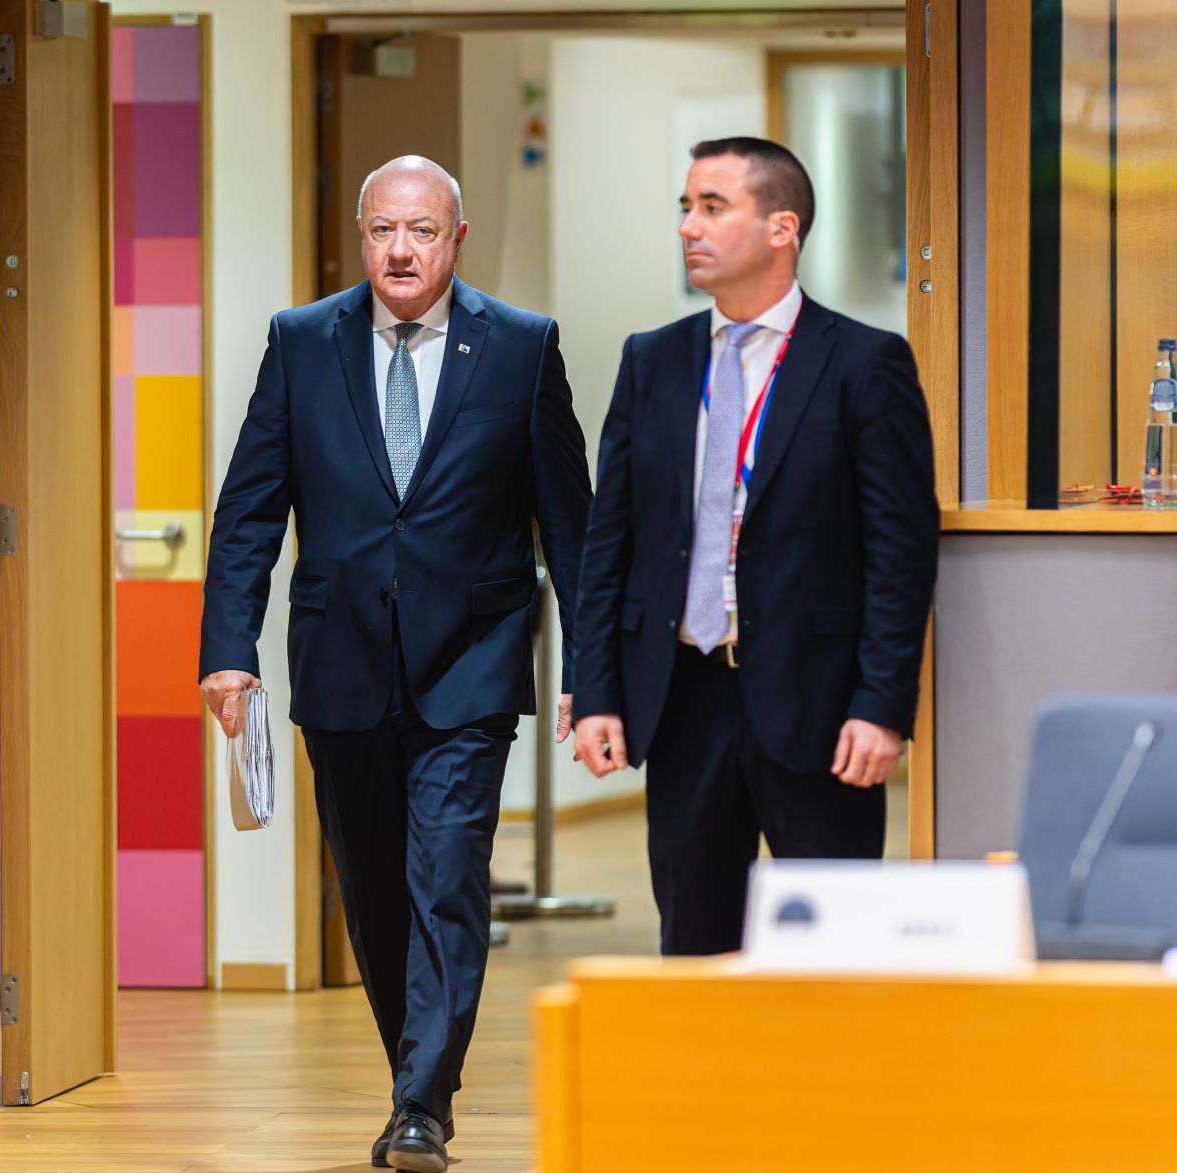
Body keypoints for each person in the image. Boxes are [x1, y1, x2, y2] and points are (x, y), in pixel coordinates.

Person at [198, 156, 590, 1171]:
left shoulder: (520, 346)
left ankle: (420, 1100)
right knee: (371, 889)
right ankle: (413, 1074)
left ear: (454, 238)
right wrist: (228, 651)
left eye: (421, 229)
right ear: (360, 239)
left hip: (471, 659)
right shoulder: (299, 343)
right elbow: (248, 511)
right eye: (382, 230)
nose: (400, 249)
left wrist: (590, 669)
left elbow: (569, 526)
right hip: (338, 662)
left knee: (446, 873)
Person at [571, 137, 939, 956]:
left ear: (782, 227)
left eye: (712, 207)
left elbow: (900, 552)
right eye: (684, 207)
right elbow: (612, 544)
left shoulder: (863, 363)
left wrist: (882, 705)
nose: (688, 227)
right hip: (682, 697)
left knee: (832, 948)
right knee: (694, 942)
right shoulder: (653, 360)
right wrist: (595, 690)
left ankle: (825, 1090)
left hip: (816, 703)